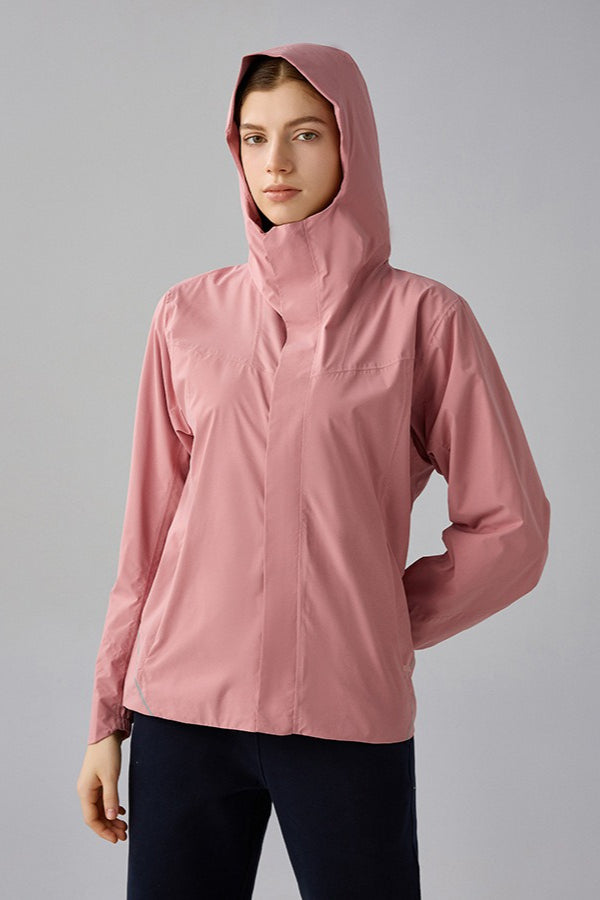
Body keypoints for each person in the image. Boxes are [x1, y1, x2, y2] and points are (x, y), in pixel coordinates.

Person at [76, 42, 551, 899]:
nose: (276, 164)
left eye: (304, 134)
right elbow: (147, 536)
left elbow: (511, 531)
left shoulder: (424, 320)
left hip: (342, 716)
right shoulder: (187, 314)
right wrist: (107, 718)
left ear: (349, 144)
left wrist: (377, 620)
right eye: (254, 139)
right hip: (180, 711)